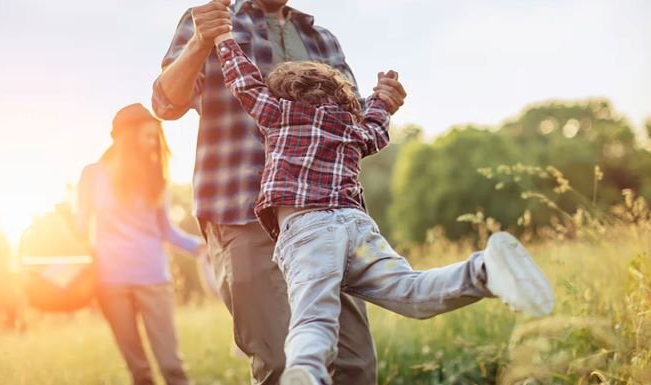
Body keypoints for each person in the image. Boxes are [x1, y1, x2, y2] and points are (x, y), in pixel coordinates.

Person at [210, 28, 556, 385]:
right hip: (357, 228)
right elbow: (376, 127)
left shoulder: (279, 113)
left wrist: (223, 39)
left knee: (314, 315)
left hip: (308, 230)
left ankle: (307, 372)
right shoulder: (350, 126)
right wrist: (381, 100)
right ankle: (483, 270)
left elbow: (244, 82)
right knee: (412, 291)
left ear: (282, 93)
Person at [151, 1, 407, 384]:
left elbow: (347, 123)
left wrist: (382, 103)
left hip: (329, 218)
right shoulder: (209, 19)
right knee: (280, 364)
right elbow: (165, 103)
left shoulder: (321, 38)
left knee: (354, 367)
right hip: (242, 212)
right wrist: (200, 42)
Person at [76, 103, 204, 385]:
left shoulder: (156, 178)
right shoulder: (92, 175)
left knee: (172, 367)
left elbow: (166, 231)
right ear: (127, 137)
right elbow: (82, 227)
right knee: (139, 371)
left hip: (154, 279)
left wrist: (202, 245)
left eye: (153, 137)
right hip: (110, 283)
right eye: (146, 136)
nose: (152, 144)